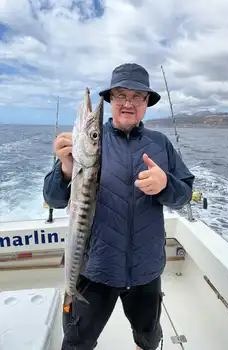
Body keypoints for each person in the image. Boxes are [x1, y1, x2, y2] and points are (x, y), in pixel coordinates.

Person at [43, 63, 195, 350]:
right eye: (120, 95)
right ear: (111, 99)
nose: (128, 103)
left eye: (137, 96)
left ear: (147, 102)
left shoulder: (160, 143)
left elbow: (184, 195)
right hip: (95, 269)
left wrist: (166, 185)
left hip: (146, 270)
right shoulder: (87, 142)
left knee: (148, 337)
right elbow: (54, 200)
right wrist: (65, 169)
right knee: (77, 342)